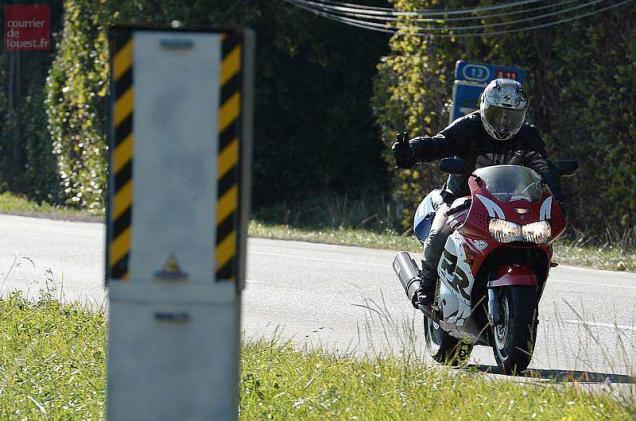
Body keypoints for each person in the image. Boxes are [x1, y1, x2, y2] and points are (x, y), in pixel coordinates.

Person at [391, 78, 564, 307]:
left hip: (509, 203)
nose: (504, 123)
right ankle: (426, 284)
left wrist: (557, 198)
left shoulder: (528, 136)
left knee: (539, 240)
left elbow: (543, 167)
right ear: (484, 108)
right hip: (462, 198)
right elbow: (439, 143)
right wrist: (411, 150)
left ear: (523, 115)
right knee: (438, 233)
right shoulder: (468, 127)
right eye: (497, 114)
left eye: (512, 117)